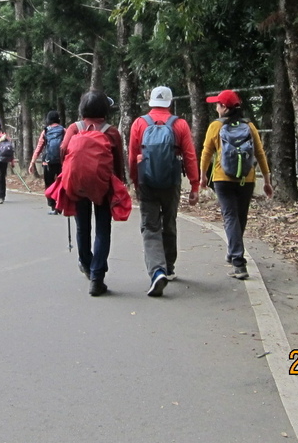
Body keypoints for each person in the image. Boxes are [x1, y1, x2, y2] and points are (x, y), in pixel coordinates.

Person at [127, 86, 200, 296]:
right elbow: (190, 156)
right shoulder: (180, 124)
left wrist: (135, 181)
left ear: (151, 102)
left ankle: (156, 270)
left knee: (150, 227)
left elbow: (133, 156)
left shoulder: (139, 123)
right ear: (170, 102)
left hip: (147, 182)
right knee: (169, 223)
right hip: (171, 182)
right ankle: (168, 267)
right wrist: (194, 185)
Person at [199, 89, 273, 280]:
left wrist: (202, 177)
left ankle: (238, 262)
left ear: (224, 107)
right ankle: (234, 253)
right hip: (246, 179)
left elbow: (206, 153)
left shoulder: (215, 126)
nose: (216, 107)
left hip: (223, 179)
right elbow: (260, 153)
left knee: (230, 217)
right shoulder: (249, 126)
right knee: (240, 217)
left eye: (217, 104)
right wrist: (266, 180)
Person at [60, 90, 126, 296]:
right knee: (103, 229)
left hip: (77, 183)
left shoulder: (74, 128)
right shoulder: (111, 132)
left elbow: (62, 150)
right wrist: (121, 184)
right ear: (105, 109)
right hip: (103, 186)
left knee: (83, 228)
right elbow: (118, 163)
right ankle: (97, 277)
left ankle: (87, 265)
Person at [28, 111, 65, 214]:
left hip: (47, 162)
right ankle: (61, 205)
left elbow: (39, 148)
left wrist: (32, 162)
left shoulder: (45, 131)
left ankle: (53, 206)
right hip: (61, 162)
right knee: (62, 184)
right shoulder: (63, 130)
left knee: (49, 184)